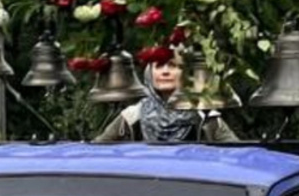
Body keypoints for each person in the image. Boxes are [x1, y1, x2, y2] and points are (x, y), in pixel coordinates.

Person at [95, 54, 238, 143]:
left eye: (172, 65)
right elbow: (98, 151)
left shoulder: (205, 116)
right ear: (149, 74)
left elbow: (236, 154)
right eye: (159, 66)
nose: (165, 72)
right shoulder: (132, 116)